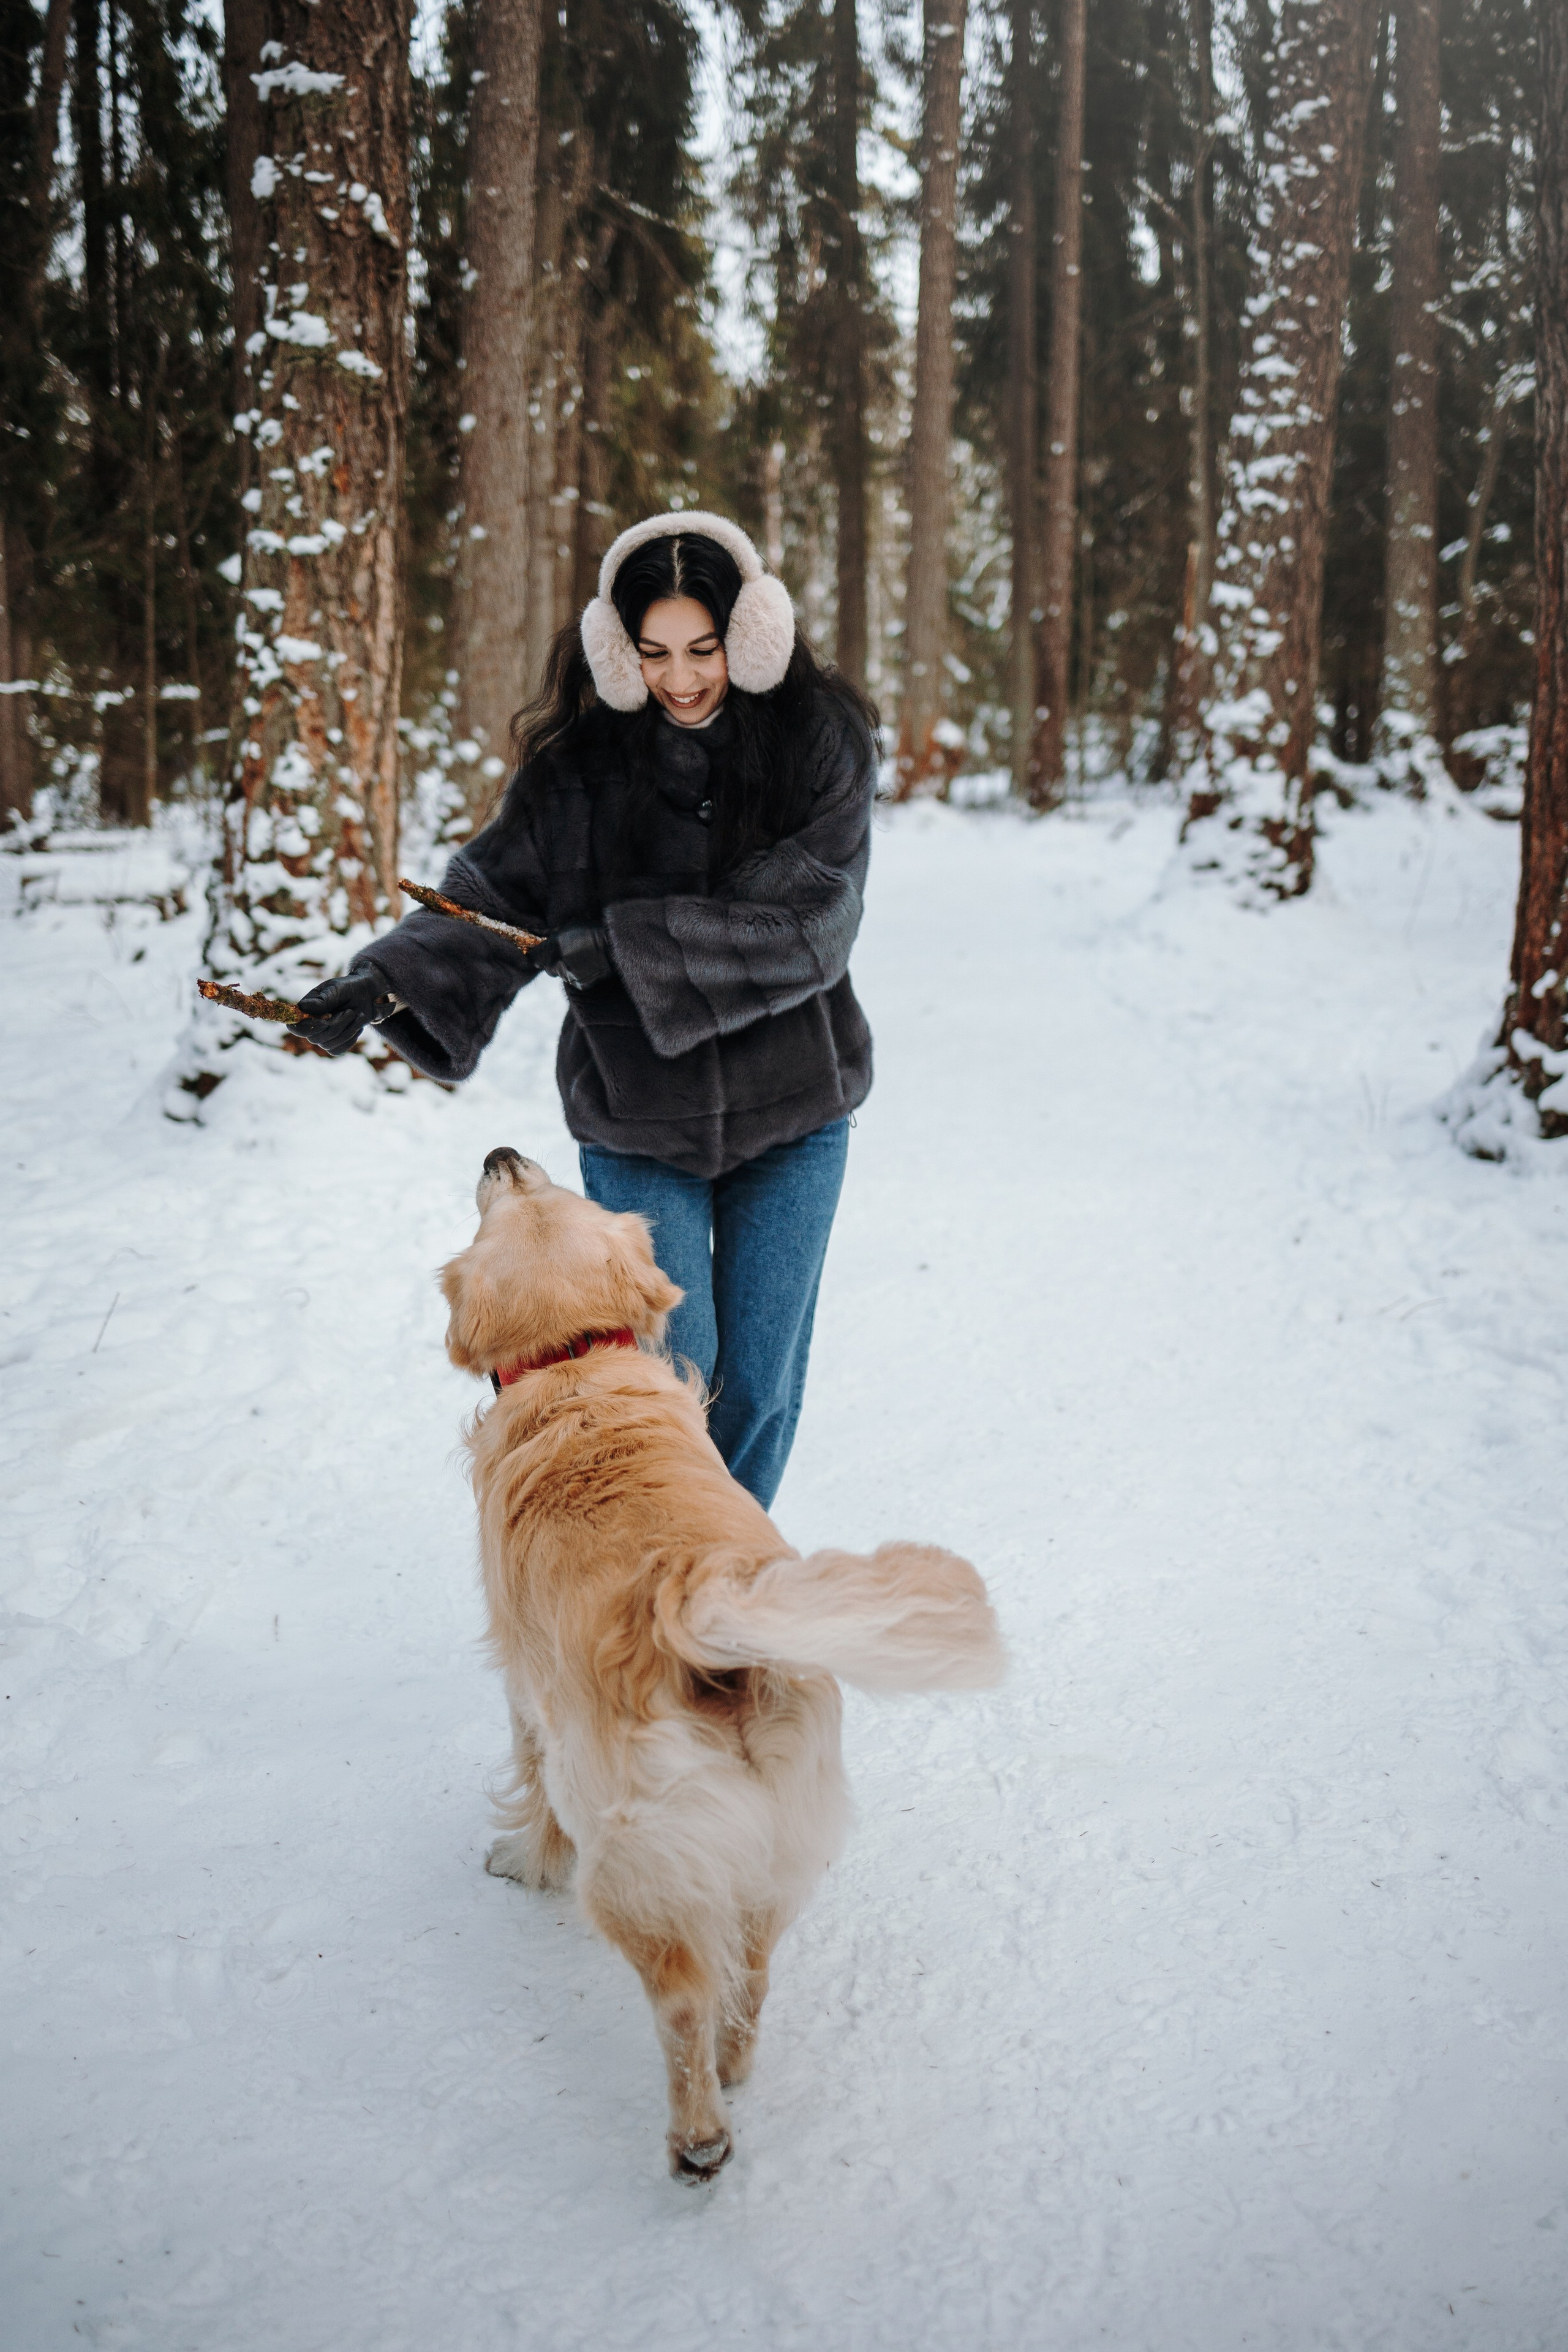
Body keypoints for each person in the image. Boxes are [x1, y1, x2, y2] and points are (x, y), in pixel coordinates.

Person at [293, 511, 880, 1511]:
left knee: (760, 1391)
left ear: (751, 635)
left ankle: (717, 1599)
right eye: (653, 653)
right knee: (665, 1384)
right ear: (618, 650)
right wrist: (385, 978)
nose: (681, 679)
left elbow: (809, 922)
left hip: (794, 1113)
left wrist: (618, 944)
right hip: (636, 1116)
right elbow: (490, 894)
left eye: (703, 650)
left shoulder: (818, 742)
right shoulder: (577, 771)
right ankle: (669, 1586)